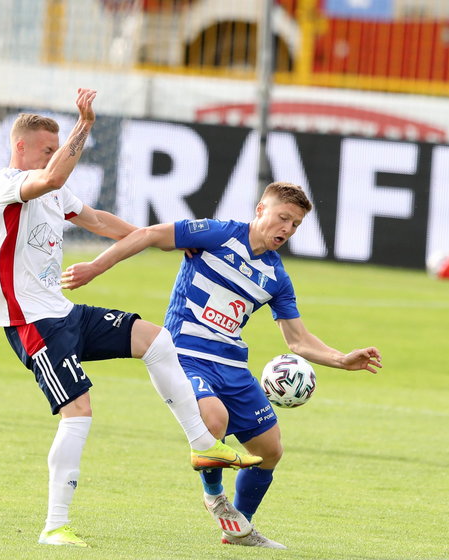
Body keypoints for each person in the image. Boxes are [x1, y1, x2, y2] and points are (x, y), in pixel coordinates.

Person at [0, 88, 262, 548]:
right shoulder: (7, 184)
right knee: (79, 412)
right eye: (47, 150)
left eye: (57, 149)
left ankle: (202, 443)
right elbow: (50, 180)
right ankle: (55, 525)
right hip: (31, 322)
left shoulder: (55, 190)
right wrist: (84, 126)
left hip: (65, 312)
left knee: (153, 339)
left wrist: (152, 237)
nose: (54, 157)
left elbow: (95, 220)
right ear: (21, 148)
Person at [62, 181, 383, 549]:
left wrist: (342, 359)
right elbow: (150, 234)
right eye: (282, 218)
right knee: (214, 420)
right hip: (186, 352)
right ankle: (215, 498)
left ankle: (239, 530)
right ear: (261, 209)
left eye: (295, 225)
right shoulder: (217, 234)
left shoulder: (277, 277)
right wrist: (96, 267)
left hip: (232, 363)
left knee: (270, 450)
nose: (287, 230)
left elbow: (297, 340)